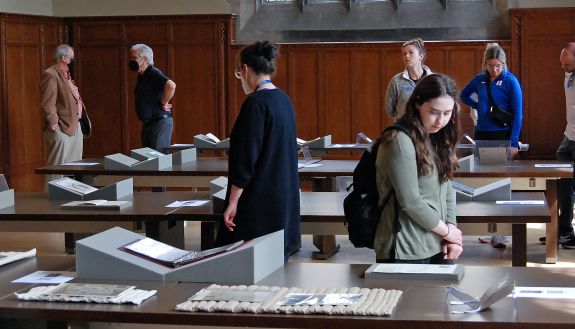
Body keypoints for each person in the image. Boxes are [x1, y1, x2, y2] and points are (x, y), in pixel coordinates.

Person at [213, 41, 300, 262]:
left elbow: (245, 159)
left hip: (259, 200)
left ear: (245, 69)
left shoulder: (255, 104)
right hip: (283, 196)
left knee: (242, 262)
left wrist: (233, 201)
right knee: (275, 263)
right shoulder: (284, 100)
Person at [375, 74, 463, 264]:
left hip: (437, 240)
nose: (441, 120)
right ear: (417, 104)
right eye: (434, 112)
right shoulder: (399, 140)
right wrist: (448, 232)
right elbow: (411, 201)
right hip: (406, 248)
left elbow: (446, 185)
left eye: (447, 113)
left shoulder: (436, 135)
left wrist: (451, 229)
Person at [460, 43, 523, 248]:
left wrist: (514, 142)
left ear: (503, 63)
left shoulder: (510, 81)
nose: (494, 70)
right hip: (482, 134)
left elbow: (518, 114)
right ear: (485, 64)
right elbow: (463, 95)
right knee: (483, 181)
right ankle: (489, 228)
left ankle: (501, 233)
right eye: (490, 65)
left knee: (501, 183)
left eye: (497, 66)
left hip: (503, 135)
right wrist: (477, 105)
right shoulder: (480, 79)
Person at [40, 44, 87, 185]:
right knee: (56, 168)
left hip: (75, 125)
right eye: (72, 57)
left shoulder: (66, 74)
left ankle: (70, 198)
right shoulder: (51, 74)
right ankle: (49, 202)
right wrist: (54, 123)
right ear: (64, 58)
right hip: (60, 127)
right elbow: (48, 102)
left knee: (74, 168)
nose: (73, 60)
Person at [548, 42, 575, 248]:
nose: (564, 69)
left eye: (567, 65)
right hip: (569, 136)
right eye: (562, 64)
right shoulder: (568, 74)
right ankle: (563, 231)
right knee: (563, 186)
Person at [129, 44, 176, 152]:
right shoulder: (142, 76)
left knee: (158, 160)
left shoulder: (153, 72)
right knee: (148, 160)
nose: (131, 61)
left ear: (144, 59)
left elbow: (171, 85)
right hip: (148, 123)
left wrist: (164, 102)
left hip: (159, 123)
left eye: (134, 58)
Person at [385, 38, 432, 120]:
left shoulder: (433, 79)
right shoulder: (396, 80)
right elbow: (390, 109)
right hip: (404, 128)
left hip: (428, 128)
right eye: (404, 54)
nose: (407, 56)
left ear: (421, 56)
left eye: (411, 53)